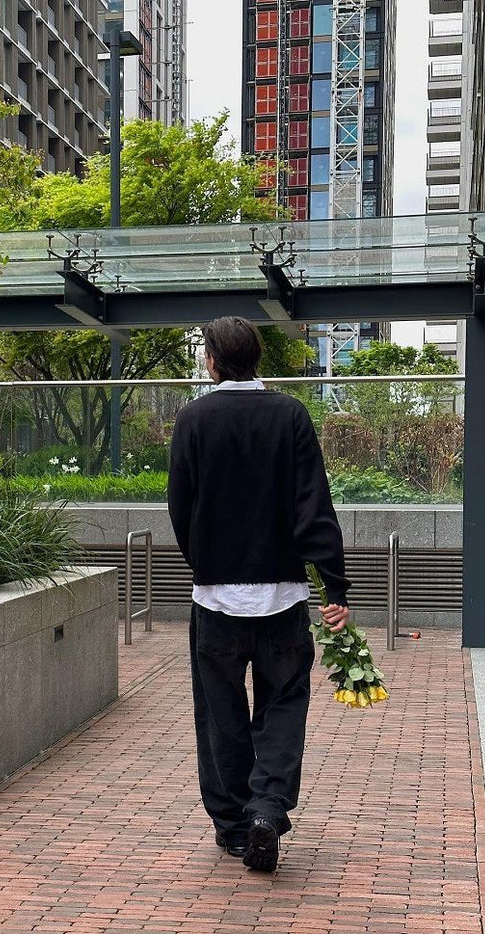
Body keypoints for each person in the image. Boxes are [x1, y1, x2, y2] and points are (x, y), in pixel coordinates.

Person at [167, 316, 350, 872]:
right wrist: (334, 586)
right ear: (258, 359)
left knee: (219, 712)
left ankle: (234, 826)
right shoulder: (290, 414)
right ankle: (268, 808)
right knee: (284, 704)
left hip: (216, 600)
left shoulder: (194, 418)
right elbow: (313, 504)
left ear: (212, 360)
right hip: (284, 596)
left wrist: (204, 563)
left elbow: (180, 504)